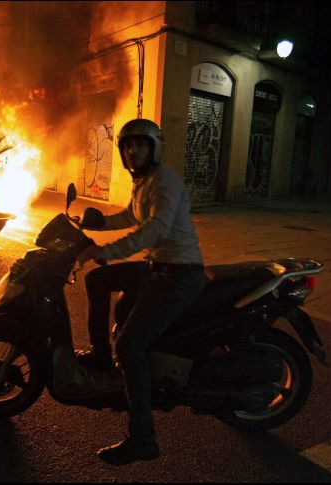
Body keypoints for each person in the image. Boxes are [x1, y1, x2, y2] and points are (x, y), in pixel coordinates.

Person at [75, 118, 206, 466]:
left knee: (131, 344)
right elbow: (132, 216)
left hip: (178, 273)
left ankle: (143, 438)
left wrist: (106, 251)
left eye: (141, 144)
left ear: (155, 147)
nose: (133, 150)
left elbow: (154, 229)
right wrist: (99, 223)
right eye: (128, 145)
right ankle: (102, 355)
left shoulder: (165, 182)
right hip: (157, 268)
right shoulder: (144, 182)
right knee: (97, 281)